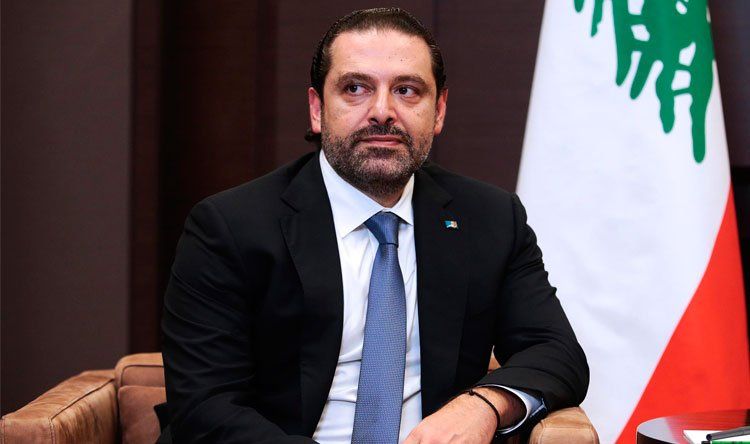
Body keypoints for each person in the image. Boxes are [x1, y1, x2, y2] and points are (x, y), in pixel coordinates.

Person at [161, 7, 588, 444]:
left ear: (439, 110)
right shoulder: (230, 227)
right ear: (317, 109)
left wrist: (482, 405)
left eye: (406, 90)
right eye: (355, 88)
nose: (382, 111)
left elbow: (556, 352)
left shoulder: (490, 218)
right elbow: (205, 407)